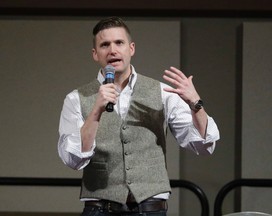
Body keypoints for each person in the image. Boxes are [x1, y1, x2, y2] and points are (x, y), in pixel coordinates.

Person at [58, 17, 220, 216]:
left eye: (119, 43)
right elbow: (73, 160)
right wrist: (95, 112)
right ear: (95, 54)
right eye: (104, 45)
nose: (112, 50)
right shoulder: (76, 99)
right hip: (100, 209)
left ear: (131, 48)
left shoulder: (162, 92)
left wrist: (196, 105)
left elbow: (203, 147)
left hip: (150, 209)